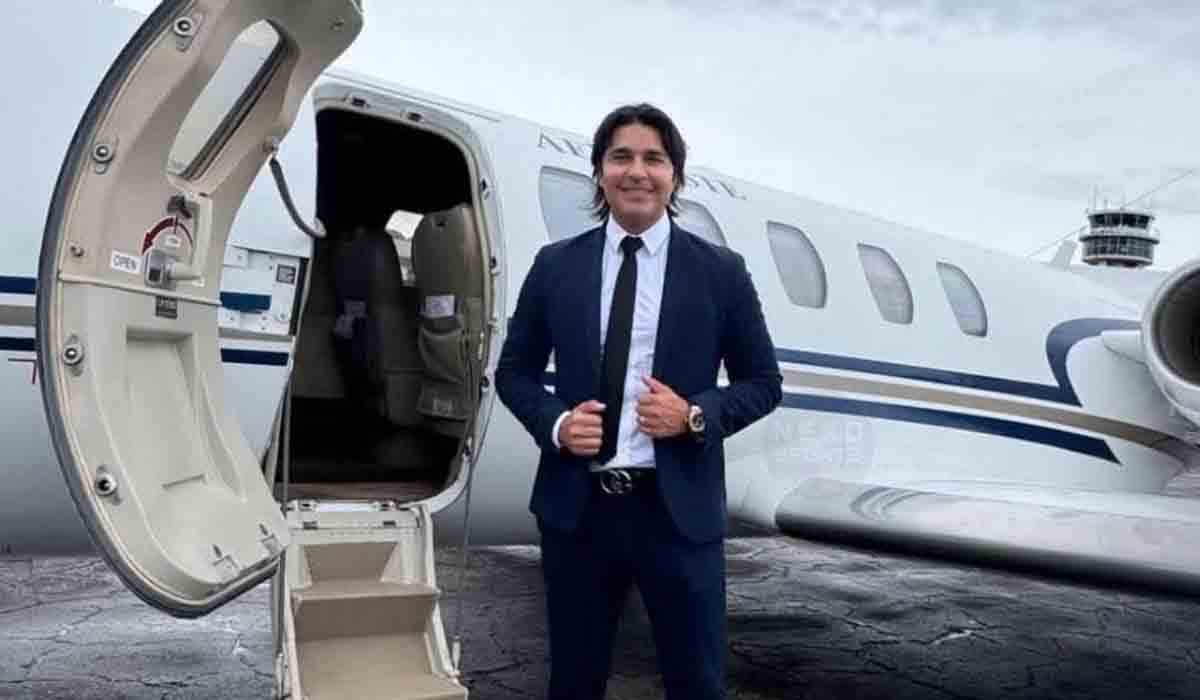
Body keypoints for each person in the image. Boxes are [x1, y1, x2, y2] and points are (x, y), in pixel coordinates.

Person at [495, 103, 782, 700]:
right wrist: (556, 424)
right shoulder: (556, 265)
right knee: (573, 684)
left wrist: (694, 415)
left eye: (654, 159)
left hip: (676, 515)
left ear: (675, 175)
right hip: (578, 514)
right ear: (599, 172)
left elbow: (762, 382)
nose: (637, 171)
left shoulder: (721, 272)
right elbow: (514, 373)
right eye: (621, 156)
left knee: (697, 684)